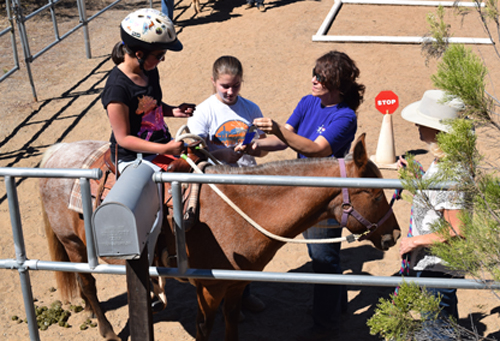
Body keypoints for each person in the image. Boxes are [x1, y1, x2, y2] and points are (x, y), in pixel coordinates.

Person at [243, 50, 365, 340]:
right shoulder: (308, 101)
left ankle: (326, 327)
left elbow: (317, 149)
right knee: (320, 255)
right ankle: (338, 304)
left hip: (327, 195)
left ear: (336, 84)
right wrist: (256, 146)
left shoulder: (345, 117)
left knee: (323, 259)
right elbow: (284, 136)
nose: (313, 79)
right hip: (303, 191)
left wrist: (278, 133)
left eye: (321, 77)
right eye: (314, 73)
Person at [187, 55, 267, 316]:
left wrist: (254, 147)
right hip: (218, 189)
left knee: (249, 245)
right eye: (224, 86)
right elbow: (193, 148)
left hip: (248, 184)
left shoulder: (251, 109)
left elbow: (262, 148)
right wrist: (222, 155)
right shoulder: (204, 111)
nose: (230, 91)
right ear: (213, 82)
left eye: (235, 86)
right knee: (225, 246)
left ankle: (243, 294)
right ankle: (221, 297)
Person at [398, 90, 466, 329]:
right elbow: (438, 200)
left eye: (423, 121)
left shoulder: (455, 172)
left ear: (438, 129)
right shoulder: (443, 162)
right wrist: (418, 177)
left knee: (438, 331)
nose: (417, 124)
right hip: (430, 264)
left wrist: (414, 242)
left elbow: (458, 230)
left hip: (437, 267)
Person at [101, 8, 195, 175]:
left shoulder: (149, 70)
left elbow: (149, 105)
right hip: (132, 157)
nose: (163, 59)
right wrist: (165, 148)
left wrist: (172, 110)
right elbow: (124, 138)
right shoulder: (117, 89)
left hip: (160, 146)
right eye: (159, 55)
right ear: (139, 54)